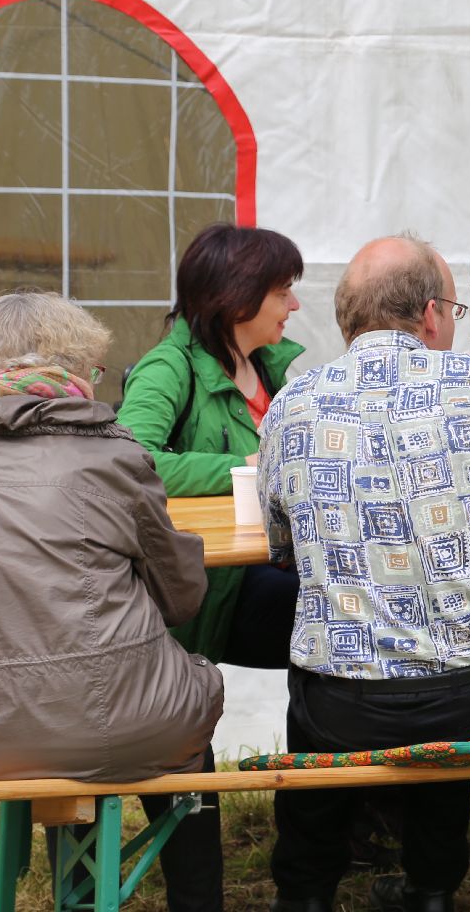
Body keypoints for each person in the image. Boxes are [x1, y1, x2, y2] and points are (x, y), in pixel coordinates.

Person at [257, 234, 470, 912]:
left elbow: (282, 549)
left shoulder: (292, 404)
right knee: (453, 658)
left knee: (319, 683)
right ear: (430, 313)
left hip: (345, 710)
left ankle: (305, 892)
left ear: (348, 320)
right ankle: (432, 887)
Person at [0, 291, 226, 911]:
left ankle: (73, 896)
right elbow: (182, 598)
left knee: (74, 697)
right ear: (74, 366)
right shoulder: (112, 450)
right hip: (119, 722)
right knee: (161, 707)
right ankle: (198, 902)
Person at [118, 222, 305, 666]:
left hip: (267, 558)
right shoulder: (167, 367)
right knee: (331, 614)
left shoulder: (268, 367)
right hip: (214, 582)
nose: (294, 305)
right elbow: (125, 462)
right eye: (282, 293)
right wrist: (243, 466)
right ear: (238, 296)